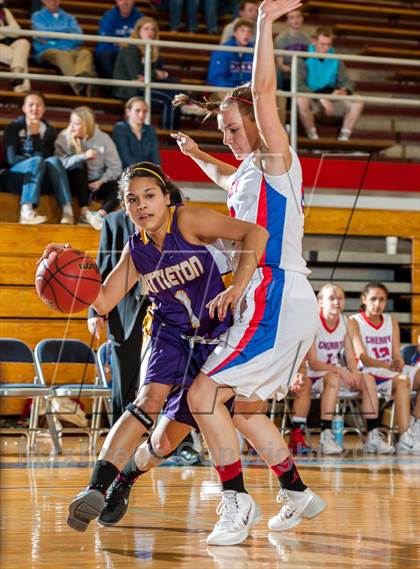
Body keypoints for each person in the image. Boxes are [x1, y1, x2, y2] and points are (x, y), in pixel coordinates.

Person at [171, 0, 326, 546]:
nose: (231, 138)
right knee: (241, 407)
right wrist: (197, 156)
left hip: (277, 289)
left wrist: (264, 22)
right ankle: (298, 491)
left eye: (235, 128)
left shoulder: (277, 159)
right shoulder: (245, 174)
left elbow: (262, 95)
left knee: (203, 395)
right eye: (225, 131)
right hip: (276, 296)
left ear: (255, 124)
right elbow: (228, 175)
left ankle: (235, 502)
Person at [41, 162, 269, 532]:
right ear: (125, 207)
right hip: (170, 333)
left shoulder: (189, 220)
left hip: (213, 338)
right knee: (147, 398)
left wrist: (238, 286)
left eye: (149, 196)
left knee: (163, 442)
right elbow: (102, 299)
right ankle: (95, 486)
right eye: (132, 200)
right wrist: (65, 263)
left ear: (166, 197)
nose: (141, 206)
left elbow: (255, 233)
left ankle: (124, 480)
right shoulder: (136, 250)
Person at [289, 283, 394, 456]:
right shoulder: (313, 322)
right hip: (314, 375)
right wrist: (341, 371)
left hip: (335, 374)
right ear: (320, 302)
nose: (337, 302)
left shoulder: (346, 322)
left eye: (341, 298)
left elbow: (351, 357)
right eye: (332, 298)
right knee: (333, 378)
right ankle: (326, 435)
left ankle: (373, 435)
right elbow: (314, 362)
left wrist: (353, 371)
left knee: (367, 379)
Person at [350, 282, 420, 453]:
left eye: (382, 299)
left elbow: (396, 353)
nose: (377, 304)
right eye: (373, 299)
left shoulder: (391, 320)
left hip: (389, 370)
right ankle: (404, 437)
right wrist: (389, 365)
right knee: (402, 381)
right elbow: (363, 358)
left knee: (408, 377)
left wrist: (398, 362)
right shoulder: (354, 321)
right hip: (369, 372)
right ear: (364, 299)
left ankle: (415, 426)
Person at [3, 91, 73, 224]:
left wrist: (36, 138)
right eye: (31, 105)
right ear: (24, 108)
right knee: (38, 160)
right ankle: (26, 211)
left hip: (41, 179)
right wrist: (35, 158)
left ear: (44, 108)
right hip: (15, 177)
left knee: (54, 161)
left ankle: (68, 211)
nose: (35, 108)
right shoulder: (14, 127)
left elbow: (48, 159)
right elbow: (11, 159)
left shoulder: (50, 130)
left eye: (39, 105)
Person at [55, 106, 122, 231]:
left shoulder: (104, 139)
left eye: (76, 124)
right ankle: (84, 212)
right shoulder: (64, 137)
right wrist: (82, 156)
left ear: (87, 125)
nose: (71, 127)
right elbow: (58, 163)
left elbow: (115, 167)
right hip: (71, 182)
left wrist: (100, 181)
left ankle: (99, 215)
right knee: (80, 164)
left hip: (95, 183)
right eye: (71, 122)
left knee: (122, 185)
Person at [296, 26, 364, 141]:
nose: (326, 48)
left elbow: (347, 82)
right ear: (314, 42)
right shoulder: (302, 58)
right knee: (300, 100)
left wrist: (344, 91)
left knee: (358, 101)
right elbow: (299, 86)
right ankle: (313, 138)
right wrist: (321, 98)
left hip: (332, 98)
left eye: (329, 44)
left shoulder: (336, 59)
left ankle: (344, 137)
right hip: (312, 99)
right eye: (322, 44)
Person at [113, 17, 180, 130]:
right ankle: (169, 137)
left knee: (174, 84)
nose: (150, 32)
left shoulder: (152, 50)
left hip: (145, 86)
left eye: (152, 30)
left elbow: (155, 75)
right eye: (146, 29)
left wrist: (154, 75)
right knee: (170, 101)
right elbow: (137, 76)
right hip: (131, 89)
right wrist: (155, 74)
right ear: (138, 31)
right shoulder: (132, 48)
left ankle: (186, 99)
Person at [31, 0, 96, 96]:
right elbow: (43, 35)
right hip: (47, 50)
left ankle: (81, 80)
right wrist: (67, 32)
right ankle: (80, 87)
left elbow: (79, 37)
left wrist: (53, 36)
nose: (53, 1)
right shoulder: (37, 16)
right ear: (43, 1)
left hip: (70, 49)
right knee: (62, 55)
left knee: (86, 53)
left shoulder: (69, 17)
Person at [95, 0, 143, 79]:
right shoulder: (108, 17)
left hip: (132, 55)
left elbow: (142, 44)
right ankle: (113, 89)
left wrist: (119, 43)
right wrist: (126, 47)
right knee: (106, 56)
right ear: (116, 1)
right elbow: (103, 44)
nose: (125, 2)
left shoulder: (140, 19)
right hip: (113, 55)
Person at [112, 98, 161, 169]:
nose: (141, 114)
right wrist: (142, 171)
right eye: (137, 111)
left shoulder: (151, 130)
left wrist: (157, 171)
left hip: (145, 173)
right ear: (128, 112)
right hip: (125, 172)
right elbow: (125, 156)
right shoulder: (120, 128)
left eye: (144, 111)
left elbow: (155, 156)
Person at [207, 18, 254, 89]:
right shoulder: (222, 51)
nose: (246, 34)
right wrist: (233, 90)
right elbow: (216, 77)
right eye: (242, 30)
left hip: (248, 91)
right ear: (235, 33)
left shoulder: (255, 51)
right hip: (227, 89)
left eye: (249, 31)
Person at [274, 8, 311, 90]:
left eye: (298, 16)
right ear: (287, 21)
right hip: (287, 75)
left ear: (302, 19)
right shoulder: (281, 39)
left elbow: (310, 61)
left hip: (303, 73)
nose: (296, 20)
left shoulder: (308, 38)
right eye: (292, 17)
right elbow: (281, 65)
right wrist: (295, 71)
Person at [0, 2, 31, 93]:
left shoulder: (5, 12)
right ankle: (22, 90)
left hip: (7, 43)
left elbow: (17, 31)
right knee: (20, 56)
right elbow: (12, 31)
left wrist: (2, 32)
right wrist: (7, 30)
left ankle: (16, 74)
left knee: (23, 43)